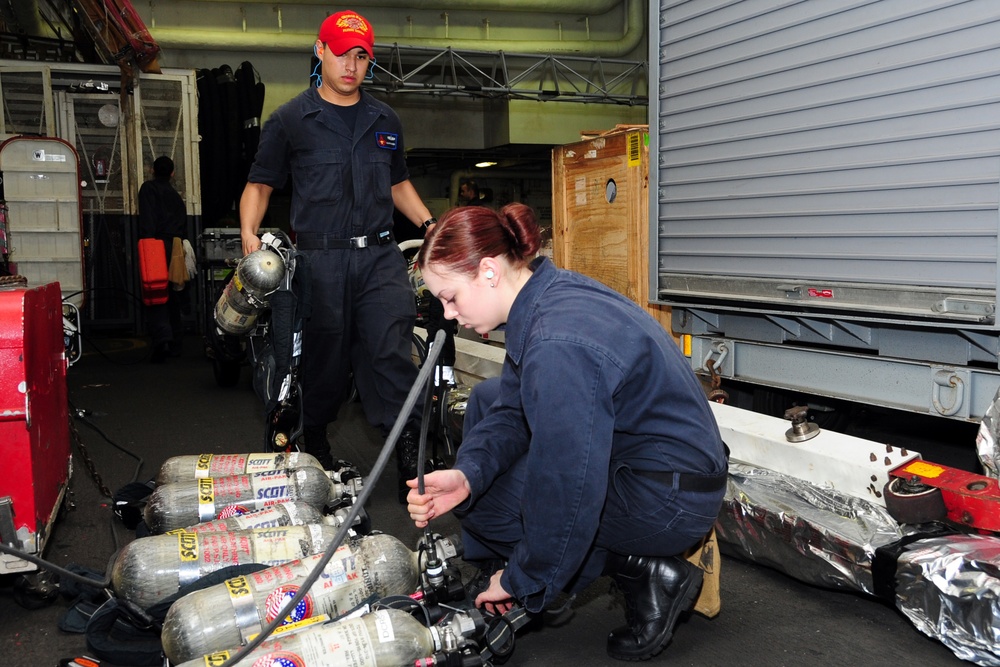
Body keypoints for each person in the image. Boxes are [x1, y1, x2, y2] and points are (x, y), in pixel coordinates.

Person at [406, 203, 728, 661]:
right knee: (485, 408)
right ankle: (548, 560)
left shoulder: (557, 343)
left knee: (492, 505)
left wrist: (523, 580)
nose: (448, 314)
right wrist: (467, 474)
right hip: (660, 468)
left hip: (668, 501)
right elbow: (512, 410)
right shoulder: (545, 293)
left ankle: (647, 572)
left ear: (489, 271)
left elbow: (565, 486)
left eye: (451, 297)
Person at [240, 9, 437, 501]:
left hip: (378, 258)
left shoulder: (384, 119)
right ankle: (319, 439)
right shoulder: (290, 120)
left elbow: (398, 184)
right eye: (343, 53)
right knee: (323, 362)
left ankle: (412, 451)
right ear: (320, 51)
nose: (352, 65)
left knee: (391, 348)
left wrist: (432, 226)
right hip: (319, 263)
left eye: (362, 56)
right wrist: (249, 234)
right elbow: (260, 185)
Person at [138, 155, 188, 363]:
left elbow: (147, 220)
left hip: (155, 246)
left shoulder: (148, 189)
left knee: (156, 291)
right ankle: (175, 340)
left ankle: (162, 341)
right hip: (176, 246)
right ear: (173, 173)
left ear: (151, 170)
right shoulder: (176, 197)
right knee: (174, 293)